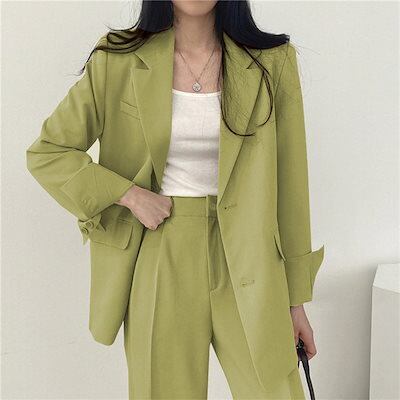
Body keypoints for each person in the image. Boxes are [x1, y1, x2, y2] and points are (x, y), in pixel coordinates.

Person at [26, 1, 325, 399]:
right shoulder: (118, 58)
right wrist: (129, 195)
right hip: (161, 249)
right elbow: (49, 152)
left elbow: (291, 186)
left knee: (274, 391)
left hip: (251, 255)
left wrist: (295, 301)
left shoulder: (273, 61)